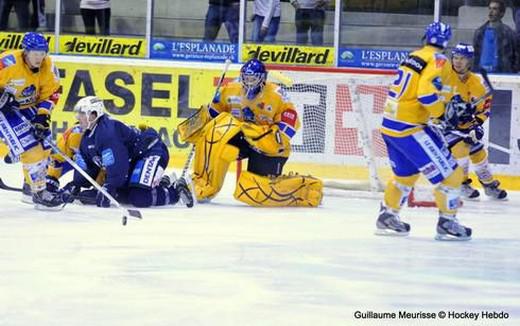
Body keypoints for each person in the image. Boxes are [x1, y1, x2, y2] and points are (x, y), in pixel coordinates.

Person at [178, 58, 323, 207]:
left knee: (255, 191)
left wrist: (271, 137)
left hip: (267, 145)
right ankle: (204, 185)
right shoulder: (230, 88)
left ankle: (305, 189)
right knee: (215, 134)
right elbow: (215, 115)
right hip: (241, 138)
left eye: (252, 79)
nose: (248, 82)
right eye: (246, 78)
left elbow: (290, 123)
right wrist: (201, 123)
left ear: (262, 79)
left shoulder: (277, 95)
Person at [376, 22, 473, 241]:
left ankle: (388, 215)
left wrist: (443, 108)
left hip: (390, 125)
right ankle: (448, 221)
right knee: (452, 174)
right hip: (410, 128)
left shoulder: (414, 55)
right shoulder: (439, 59)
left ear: (425, 37)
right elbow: (426, 94)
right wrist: (441, 114)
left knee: (406, 175)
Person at [64, 96, 194, 209]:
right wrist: (76, 185)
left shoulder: (108, 133)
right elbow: (89, 167)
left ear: (94, 114)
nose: (78, 117)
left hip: (150, 152)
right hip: (132, 160)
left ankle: (176, 190)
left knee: (139, 198)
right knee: (120, 194)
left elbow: (118, 165)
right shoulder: (87, 138)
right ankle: (161, 183)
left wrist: (108, 188)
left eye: (82, 113)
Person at [0, 32, 62, 209]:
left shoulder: (48, 66)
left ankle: (30, 185)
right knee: (32, 150)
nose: (39, 57)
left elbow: (52, 93)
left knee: (45, 144)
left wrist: (42, 115)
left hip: (28, 107)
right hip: (3, 112)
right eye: (35, 53)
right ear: (25, 52)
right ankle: (40, 194)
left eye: (42, 53)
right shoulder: (8, 62)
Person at [443, 43, 507, 201]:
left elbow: (483, 110)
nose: (457, 62)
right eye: (455, 58)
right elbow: (430, 98)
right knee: (461, 149)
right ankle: (461, 183)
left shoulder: (478, 83)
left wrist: (476, 125)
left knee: (478, 151)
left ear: (470, 61)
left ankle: (488, 184)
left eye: (462, 59)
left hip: (464, 127)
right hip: (442, 126)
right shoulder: (443, 76)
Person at [473, 0, 519, 73]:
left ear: (502, 13)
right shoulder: (479, 32)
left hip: (502, 75)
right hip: (481, 74)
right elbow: (475, 56)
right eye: (490, 8)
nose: (490, 12)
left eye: (494, 9)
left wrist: (511, 73)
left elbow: (516, 57)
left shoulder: (509, 33)